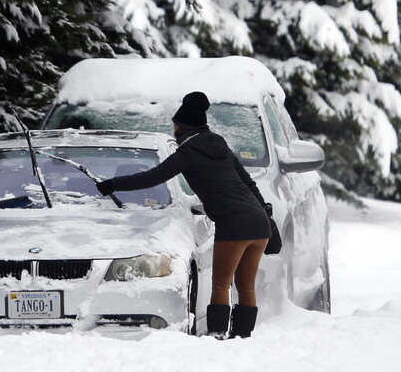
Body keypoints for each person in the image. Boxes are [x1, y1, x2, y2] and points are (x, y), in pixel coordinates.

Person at [96, 91, 271, 339]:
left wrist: (112, 184)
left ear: (182, 127)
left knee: (221, 284)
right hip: (258, 224)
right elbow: (249, 183)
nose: (174, 130)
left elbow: (152, 177)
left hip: (233, 224)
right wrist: (268, 218)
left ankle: (219, 335)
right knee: (245, 286)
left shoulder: (187, 152)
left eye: (175, 125)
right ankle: (243, 338)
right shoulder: (220, 143)